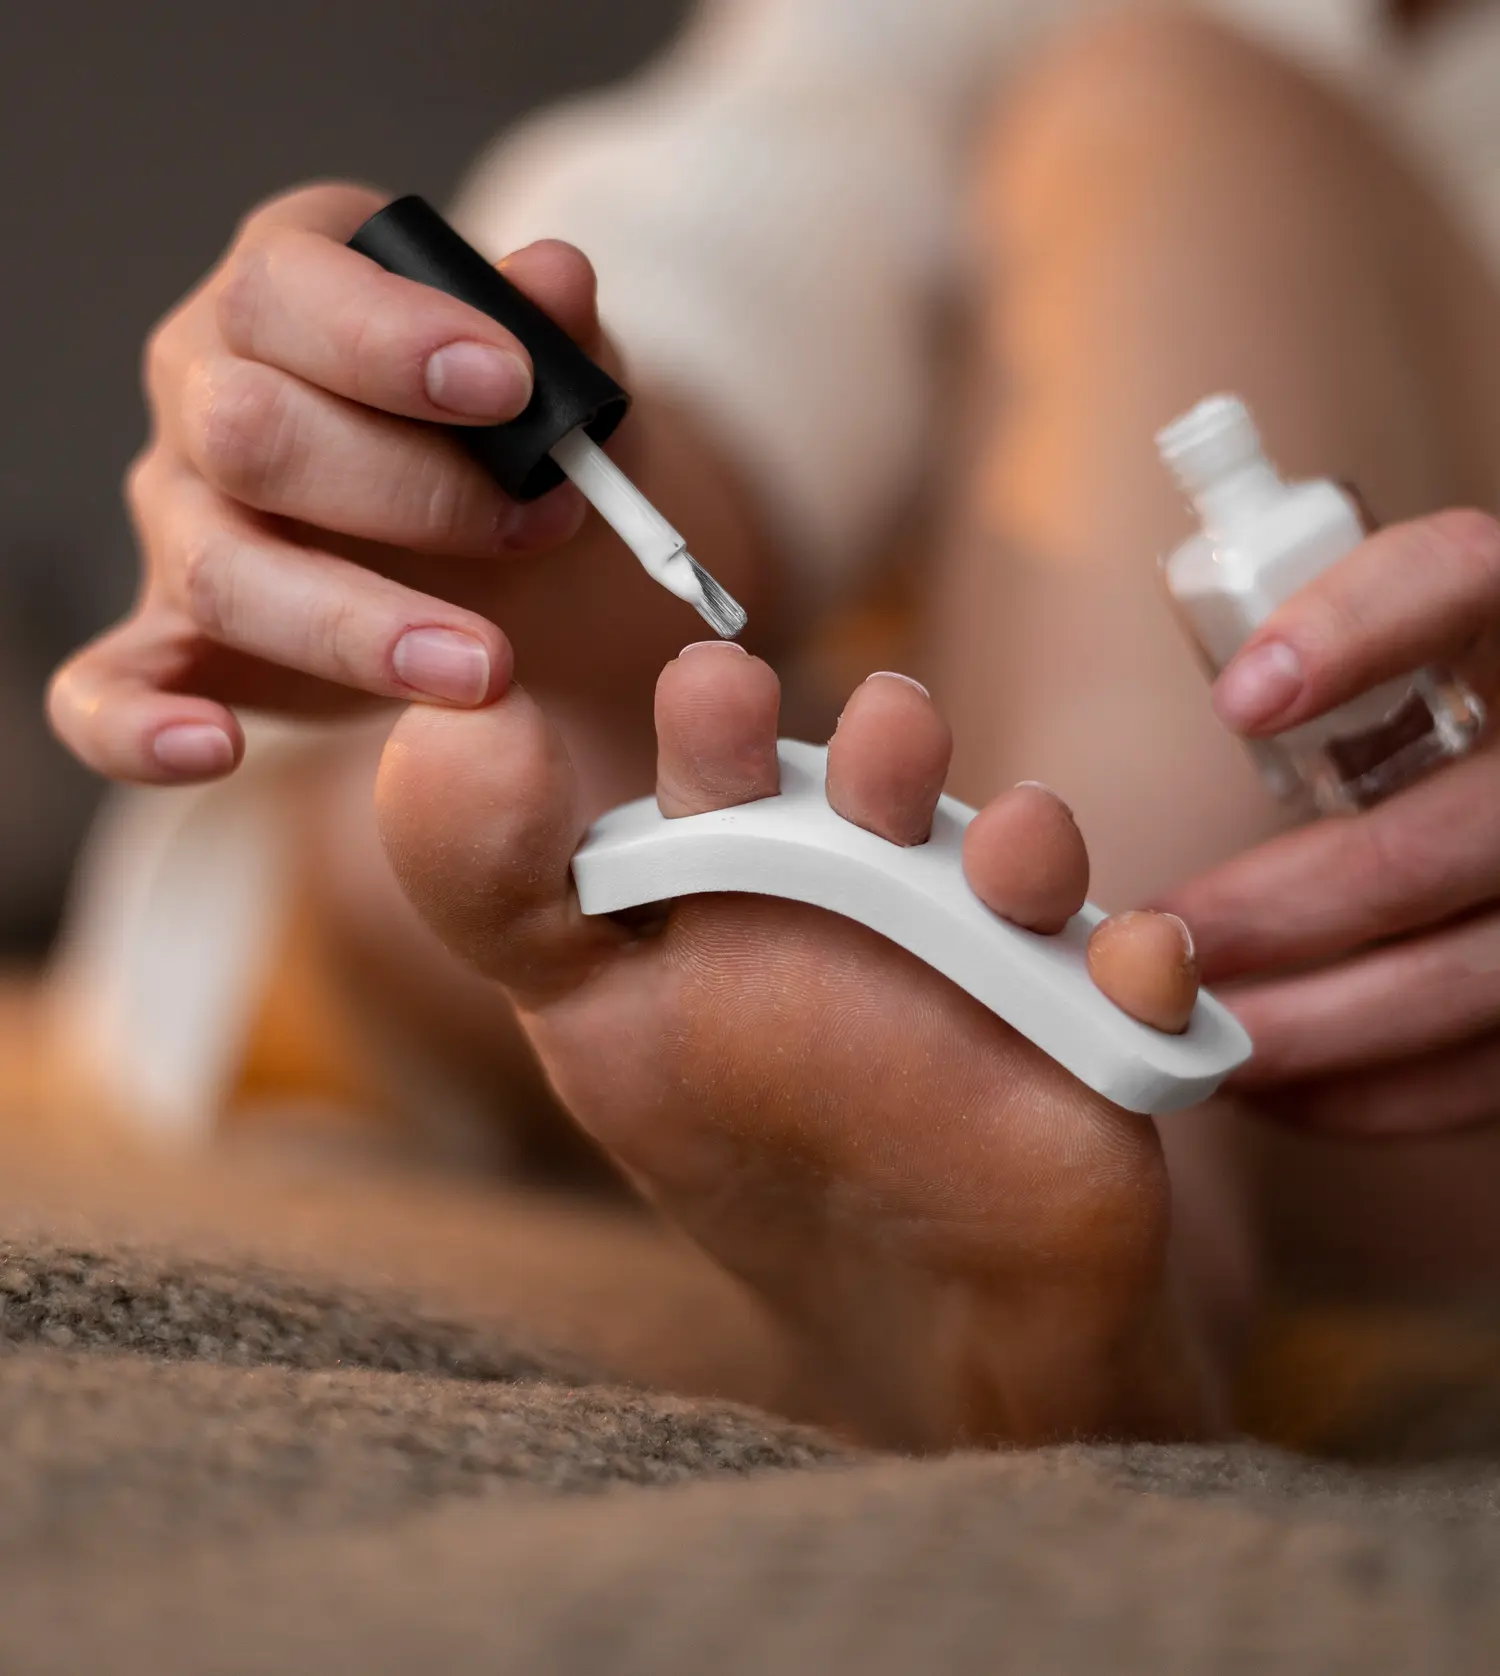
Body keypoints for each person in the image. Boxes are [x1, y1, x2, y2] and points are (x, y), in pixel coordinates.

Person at [43, 0, 1500, 1445]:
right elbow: (733, 320)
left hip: (1386, 1037)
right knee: (518, 792)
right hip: (1056, 863)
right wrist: (428, 458)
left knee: (1184, 107)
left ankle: (1120, 1185)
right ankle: (1020, 1149)